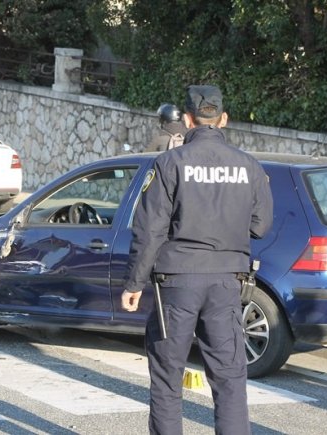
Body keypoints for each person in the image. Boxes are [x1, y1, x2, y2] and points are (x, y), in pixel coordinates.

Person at [121, 84, 273, 434]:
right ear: (224, 119)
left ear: (188, 120)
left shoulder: (169, 163)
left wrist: (134, 283)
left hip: (177, 282)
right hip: (227, 282)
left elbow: (150, 230)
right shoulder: (249, 166)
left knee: (167, 375)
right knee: (230, 378)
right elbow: (261, 226)